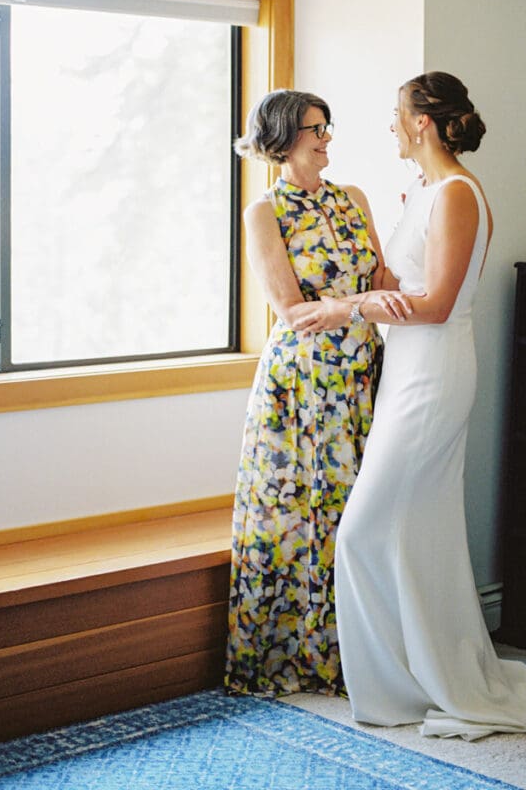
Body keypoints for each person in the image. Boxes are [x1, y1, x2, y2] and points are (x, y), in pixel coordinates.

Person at [327, 71, 526, 739]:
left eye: (397, 114)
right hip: (406, 370)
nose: (391, 125)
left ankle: (404, 683)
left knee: (362, 531)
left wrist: (352, 306)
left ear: (422, 122)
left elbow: (438, 304)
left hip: (435, 373)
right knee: (416, 529)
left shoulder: (456, 194)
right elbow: (397, 284)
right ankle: (422, 672)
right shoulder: (423, 193)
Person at [225, 89, 410, 698]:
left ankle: (370, 647)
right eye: (314, 128)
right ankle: (309, 657)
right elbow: (293, 311)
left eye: (328, 125)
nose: (327, 136)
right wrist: (357, 305)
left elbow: (383, 281)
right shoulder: (263, 212)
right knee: (307, 514)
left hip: (363, 371)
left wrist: (417, 234)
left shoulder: (353, 199)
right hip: (303, 381)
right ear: (282, 137)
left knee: (365, 507)